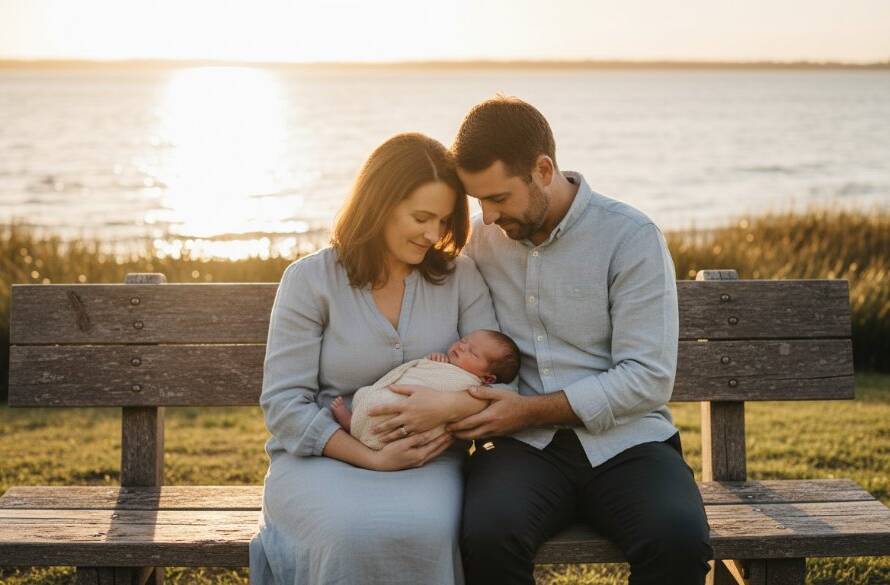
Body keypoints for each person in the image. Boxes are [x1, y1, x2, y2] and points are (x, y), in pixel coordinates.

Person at [450, 95, 714, 585]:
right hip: (521, 448)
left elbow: (649, 378)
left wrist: (526, 410)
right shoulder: (481, 240)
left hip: (629, 441)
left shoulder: (629, 237)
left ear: (544, 169)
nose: (487, 216)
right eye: (478, 201)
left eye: (499, 198)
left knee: (677, 539)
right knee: (486, 537)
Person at [249, 132, 503, 585]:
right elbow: (285, 406)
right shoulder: (310, 281)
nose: (434, 234)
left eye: (443, 220)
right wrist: (370, 457)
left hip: (428, 459)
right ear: (379, 204)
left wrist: (448, 408)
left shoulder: (460, 277)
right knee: (347, 533)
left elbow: (499, 386)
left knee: (423, 529)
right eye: (421, 217)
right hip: (321, 460)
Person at [330, 329, 520, 450]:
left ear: (487, 378)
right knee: (367, 395)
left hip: (420, 414)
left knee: (394, 414)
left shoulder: (471, 386)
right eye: (464, 340)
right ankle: (356, 422)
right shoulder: (445, 362)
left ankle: (355, 426)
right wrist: (434, 360)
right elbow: (423, 370)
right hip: (400, 391)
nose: (462, 347)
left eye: (472, 352)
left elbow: (463, 407)